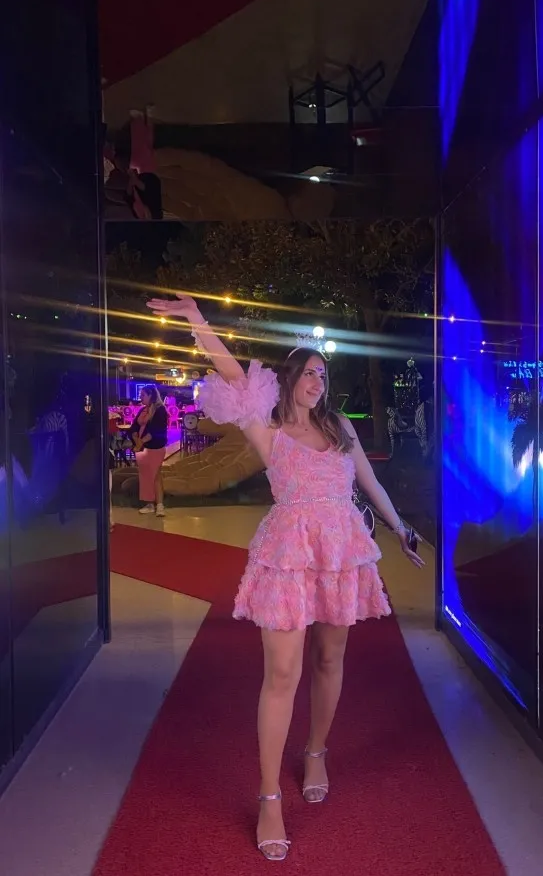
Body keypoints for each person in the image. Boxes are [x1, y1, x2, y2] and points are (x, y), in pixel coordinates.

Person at [147, 293, 425, 862]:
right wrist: (198, 321)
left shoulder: (341, 427)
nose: (318, 381)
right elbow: (234, 375)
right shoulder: (267, 430)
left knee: (329, 658)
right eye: (310, 373)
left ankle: (316, 751)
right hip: (288, 555)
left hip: (341, 550)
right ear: (290, 378)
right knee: (281, 672)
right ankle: (269, 795)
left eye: (324, 374)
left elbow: (369, 482)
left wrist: (400, 528)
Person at [130, 385, 168, 516]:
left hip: (155, 447)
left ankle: (160, 505)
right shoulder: (143, 410)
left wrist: (141, 441)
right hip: (141, 448)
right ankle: (149, 503)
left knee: (156, 475)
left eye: (143, 395)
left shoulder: (160, 410)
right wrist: (135, 438)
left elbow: (157, 430)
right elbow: (134, 426)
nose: (140, 397)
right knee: (145, 476)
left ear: (151, 395)